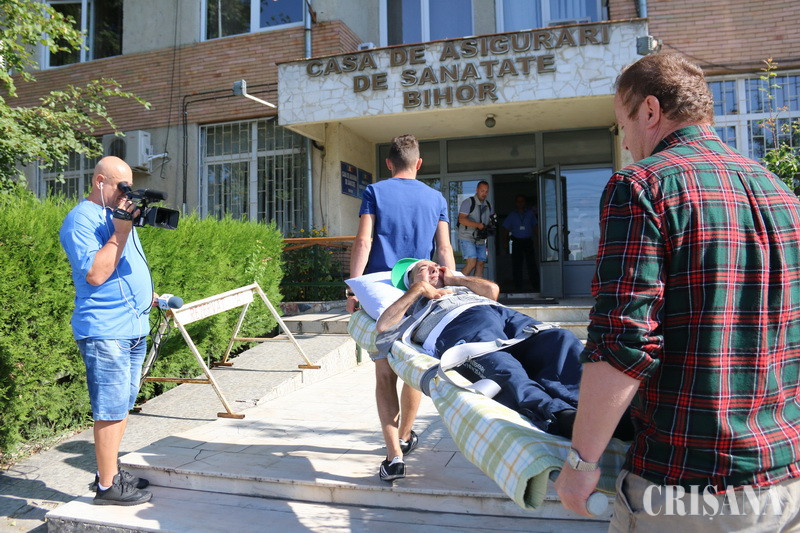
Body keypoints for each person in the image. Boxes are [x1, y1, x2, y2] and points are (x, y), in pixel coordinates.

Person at [555, 53, 800, 532]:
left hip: (686, 486)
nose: (626, 142)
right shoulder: (781, 192)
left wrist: (582, 463)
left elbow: (623, 341)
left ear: (650, 110)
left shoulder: (641, 186)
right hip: (784, 478)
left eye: (622, 124)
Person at [375, 259, 634, 441]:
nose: (433, 268)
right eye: (423, 268)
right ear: (410, 280)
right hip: (457, 325)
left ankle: (596, 407)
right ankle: (560, 416)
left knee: (559, 339)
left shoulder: (458, 285)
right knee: (501, 365)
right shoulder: (412, 302)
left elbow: (492, 291)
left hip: (502, 315)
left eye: (434, 265)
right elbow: (383, 325)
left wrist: (454, 278)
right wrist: (419, 289)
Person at [347, 134, 455, 482]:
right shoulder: (436, 198)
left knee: (384, 375)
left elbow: (363, 241)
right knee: (413, 367)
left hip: (382, 297)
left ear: (389, 163)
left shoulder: (375, 192)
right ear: (419, 163)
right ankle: (406, 436)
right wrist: (448, 288)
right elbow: (444, 249)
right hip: (421, 292)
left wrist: (354, 287)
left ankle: (394, 457)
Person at [59, 156, 153, 506]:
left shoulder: (117, 216)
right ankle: (106, 487)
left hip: (132, 326)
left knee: (122, 405)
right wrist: (121, 231)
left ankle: (109, 473)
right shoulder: (80, 220)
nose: (126, 194)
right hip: (106, 329)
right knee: (110, 409)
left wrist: (149, 295)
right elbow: (96, 274)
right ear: (100, 181)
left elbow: (123, 268)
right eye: (121, 187)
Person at [502, 194, 539, 292]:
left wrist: (539, 240)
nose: (520, 203)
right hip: (516, 242)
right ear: (515, 203)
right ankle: (518, 287)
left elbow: (535, 227)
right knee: (517, 265)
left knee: (531, 264)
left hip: (528, 241)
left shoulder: (530, 214)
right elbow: (505, 229)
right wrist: (505, 242)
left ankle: (536, 287)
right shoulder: (512, 215)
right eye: (518, 201)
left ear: (525, 203)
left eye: (522, 201)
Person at [457, 180, 492, 278]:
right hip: (467, 237)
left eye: (486, 191)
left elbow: (490, 220)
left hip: (480, 239)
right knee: (471, 263)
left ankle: (476, 287)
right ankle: (456, 283)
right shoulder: (468, 202)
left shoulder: (488, 205)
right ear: (477, 190)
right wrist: (478, 225)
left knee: (480, 264)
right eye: (482, 191)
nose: (484, 193)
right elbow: (461, 219)